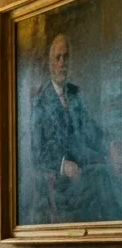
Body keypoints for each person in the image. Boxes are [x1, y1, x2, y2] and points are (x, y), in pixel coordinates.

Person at [28, 33, 121, 223]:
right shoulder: (41, 102)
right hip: (61, 184)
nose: (63, 63)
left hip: (83, 171)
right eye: (58, 58)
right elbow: (37, 154)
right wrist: (62, 165)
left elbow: (91, 130)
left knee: (110, 170)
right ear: (50, 64)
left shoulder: (75, 94)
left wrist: (110, 146)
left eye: (66, 57)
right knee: (102, 175)